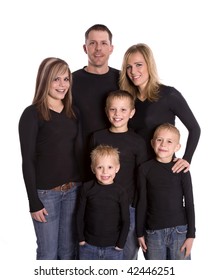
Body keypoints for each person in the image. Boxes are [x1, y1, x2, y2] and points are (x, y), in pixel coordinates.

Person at [18, 57, 83, 260]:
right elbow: (27, 160)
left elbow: (78, 153)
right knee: (48, 253)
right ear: (45, 80)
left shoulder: (74, 112)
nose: (62, 85)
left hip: (73, 190)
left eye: (66, 79)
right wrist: (33, 202)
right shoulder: (32, 114)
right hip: (47, 196)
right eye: (56, 79)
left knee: (68, 252)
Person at [119, 43, 201, 173]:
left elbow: (194, 128)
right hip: (134, 170)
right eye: (128, 67)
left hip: (161, 171)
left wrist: (187, 158)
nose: (133, 71)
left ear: (149, 65)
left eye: (138, 65)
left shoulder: (169, 95)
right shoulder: (128, 100)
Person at [90, 90, 148, 259]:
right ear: (106, 111)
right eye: (113, 109)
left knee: (128, 254)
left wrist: (137, 206)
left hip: (128, 207)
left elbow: (141, 179)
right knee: (104, 254)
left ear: (132, 112)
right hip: (101, 206)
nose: (117, 114)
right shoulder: (97, 137)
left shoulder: (137, 142)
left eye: (123, 110)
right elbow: (91, 172)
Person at [136, 123, 195, 260]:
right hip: (153, 232)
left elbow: (190, 202)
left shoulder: (181, 168)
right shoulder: (144, 169)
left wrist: (191, 234)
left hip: (179, 231)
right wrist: (139, 233)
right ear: (152, 142)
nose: (163, 144)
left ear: (177, 147)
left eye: (169, 141)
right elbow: (142, 201)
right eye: (159, 139)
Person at [72, 24, 120, 180]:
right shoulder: (71, 81)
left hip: (116, 166)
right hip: (79, 167)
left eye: (103, 43)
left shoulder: (123, 80)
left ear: (111, 48)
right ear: (85, 48)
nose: (98, 48)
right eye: (92, 43)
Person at [76, 144, 130, 260]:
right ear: (92, 168)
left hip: (113, 247)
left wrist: (121, 244)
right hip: (88, 246)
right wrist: (81, 239)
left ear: (117, 168)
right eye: (100, 167)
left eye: (110, 167)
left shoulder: (120, 192)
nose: (105, 172)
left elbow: (125, 220)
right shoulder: (87, 188)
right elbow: (80, 215)